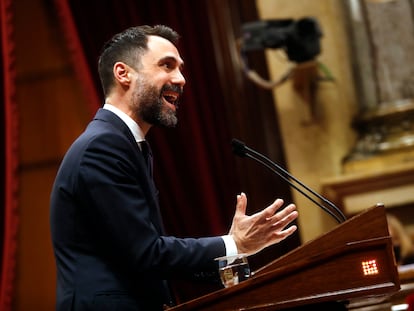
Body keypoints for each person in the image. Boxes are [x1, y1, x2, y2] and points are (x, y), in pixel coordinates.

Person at [50, 25, 299, 311]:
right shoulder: (102, 147)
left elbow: (143, 256)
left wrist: (232, 256)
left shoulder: (128, 144)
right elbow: (147, 254)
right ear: (123, 74)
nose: (180, 79)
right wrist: (233, 244)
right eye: (166, 66)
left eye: (180, 68)